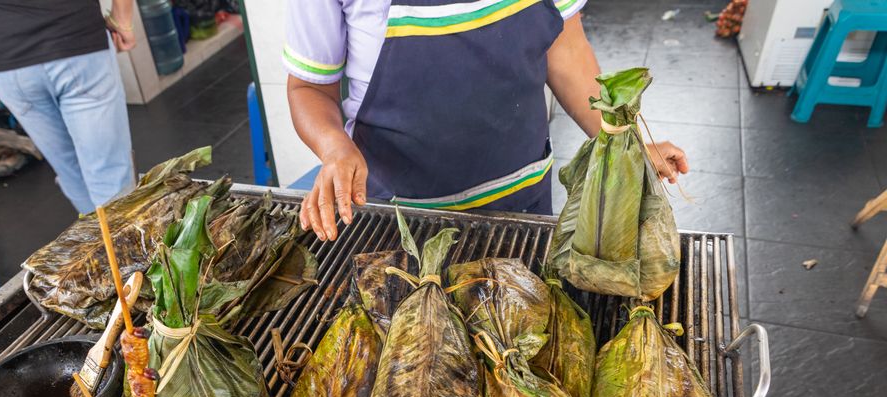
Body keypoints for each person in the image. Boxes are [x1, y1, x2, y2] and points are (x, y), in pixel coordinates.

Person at [284, 0, 690, 241]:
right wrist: (335, 147)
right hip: (400, 220)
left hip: (521, 204)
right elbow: (308, 89)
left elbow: (565, 49)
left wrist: (627, 143)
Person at [0, 0, 138, 215]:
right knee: (108, 171)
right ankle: (126, 247)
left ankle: (101, 243)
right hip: (72, 37)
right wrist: (123, 20)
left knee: (70, 170)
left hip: (4, 58)